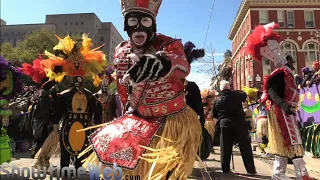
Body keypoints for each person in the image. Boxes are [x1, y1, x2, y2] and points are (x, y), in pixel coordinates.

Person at [78, 1, 202, 179]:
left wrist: (163, 62)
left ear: (153, 24)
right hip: (136, 118)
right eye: (132, 21)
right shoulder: (121, 50)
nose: (138, 27)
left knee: (163, 172)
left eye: (144, 21)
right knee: (123, 167)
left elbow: (182, 62)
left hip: (170, 121)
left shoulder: (168, 44)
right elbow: (122, 88)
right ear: (125, 25)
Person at [245, 22, 311, 180]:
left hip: (288, 111)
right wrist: (283, 106)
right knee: (286, 143)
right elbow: (273, 91)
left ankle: (298, 173)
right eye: (292, 63)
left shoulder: (287, 74)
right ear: (286, 62)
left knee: (293, 143)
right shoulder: (280, 73)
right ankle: (280, 173)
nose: (293, 65)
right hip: (281, 112)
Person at [40, 34, 106, 175]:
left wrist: (99, 126)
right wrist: (55, 125)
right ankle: (65, 171)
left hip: (84, 127)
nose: (79, 83)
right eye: (76, 80)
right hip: (68, 127)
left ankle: (79, 171)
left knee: (82, 155)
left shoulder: (89, 95)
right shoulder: (65, 95)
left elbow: (96, 112)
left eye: (81, 79)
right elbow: (57, 112)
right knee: (65, 154)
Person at [19, 57, 59, 163]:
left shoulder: (42, 93)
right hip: (42, 121)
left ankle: (40, 158)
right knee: (42, 140)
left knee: (41, 140)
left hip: (41, 120)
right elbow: (46, 108)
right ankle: (39, 157)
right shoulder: (45, 94)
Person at [213, 80, 256, 174]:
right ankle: (251, 170)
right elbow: (244, 95)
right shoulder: (236, 95)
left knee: (225, 148)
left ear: (221, 89)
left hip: (225, 125)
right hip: (239, 124)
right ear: (229, 87)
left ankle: (225, 169)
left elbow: (214, 114)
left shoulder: (217, 100)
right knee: (245, 148)